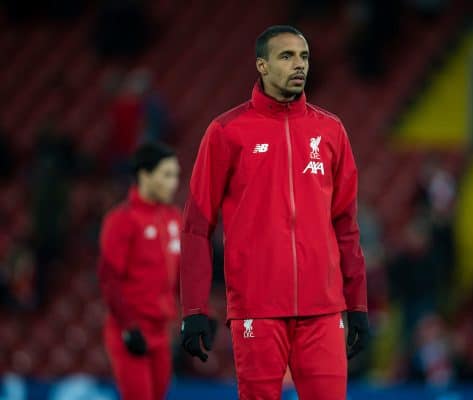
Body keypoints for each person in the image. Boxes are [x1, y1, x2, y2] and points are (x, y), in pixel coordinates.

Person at [179, 25, 369, 399]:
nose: (299, 65)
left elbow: (345, 226)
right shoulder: (226, 132)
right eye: (287, 56)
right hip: (257, 309)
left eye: (304, 57)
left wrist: (357, 303)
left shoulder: (331, 131)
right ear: (262, 66)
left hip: (323, 310)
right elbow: (196, 228)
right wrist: (194, 308)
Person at [98, 142, 181, 400]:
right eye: (166, 175)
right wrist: (128, 326)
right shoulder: (122, 221)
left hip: (160, 331)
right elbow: (110, 280)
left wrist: (201, 312)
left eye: (176, 175)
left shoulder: (174, 219)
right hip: (131, 332)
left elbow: (183, 276)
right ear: (145, 176)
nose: (174, 183)